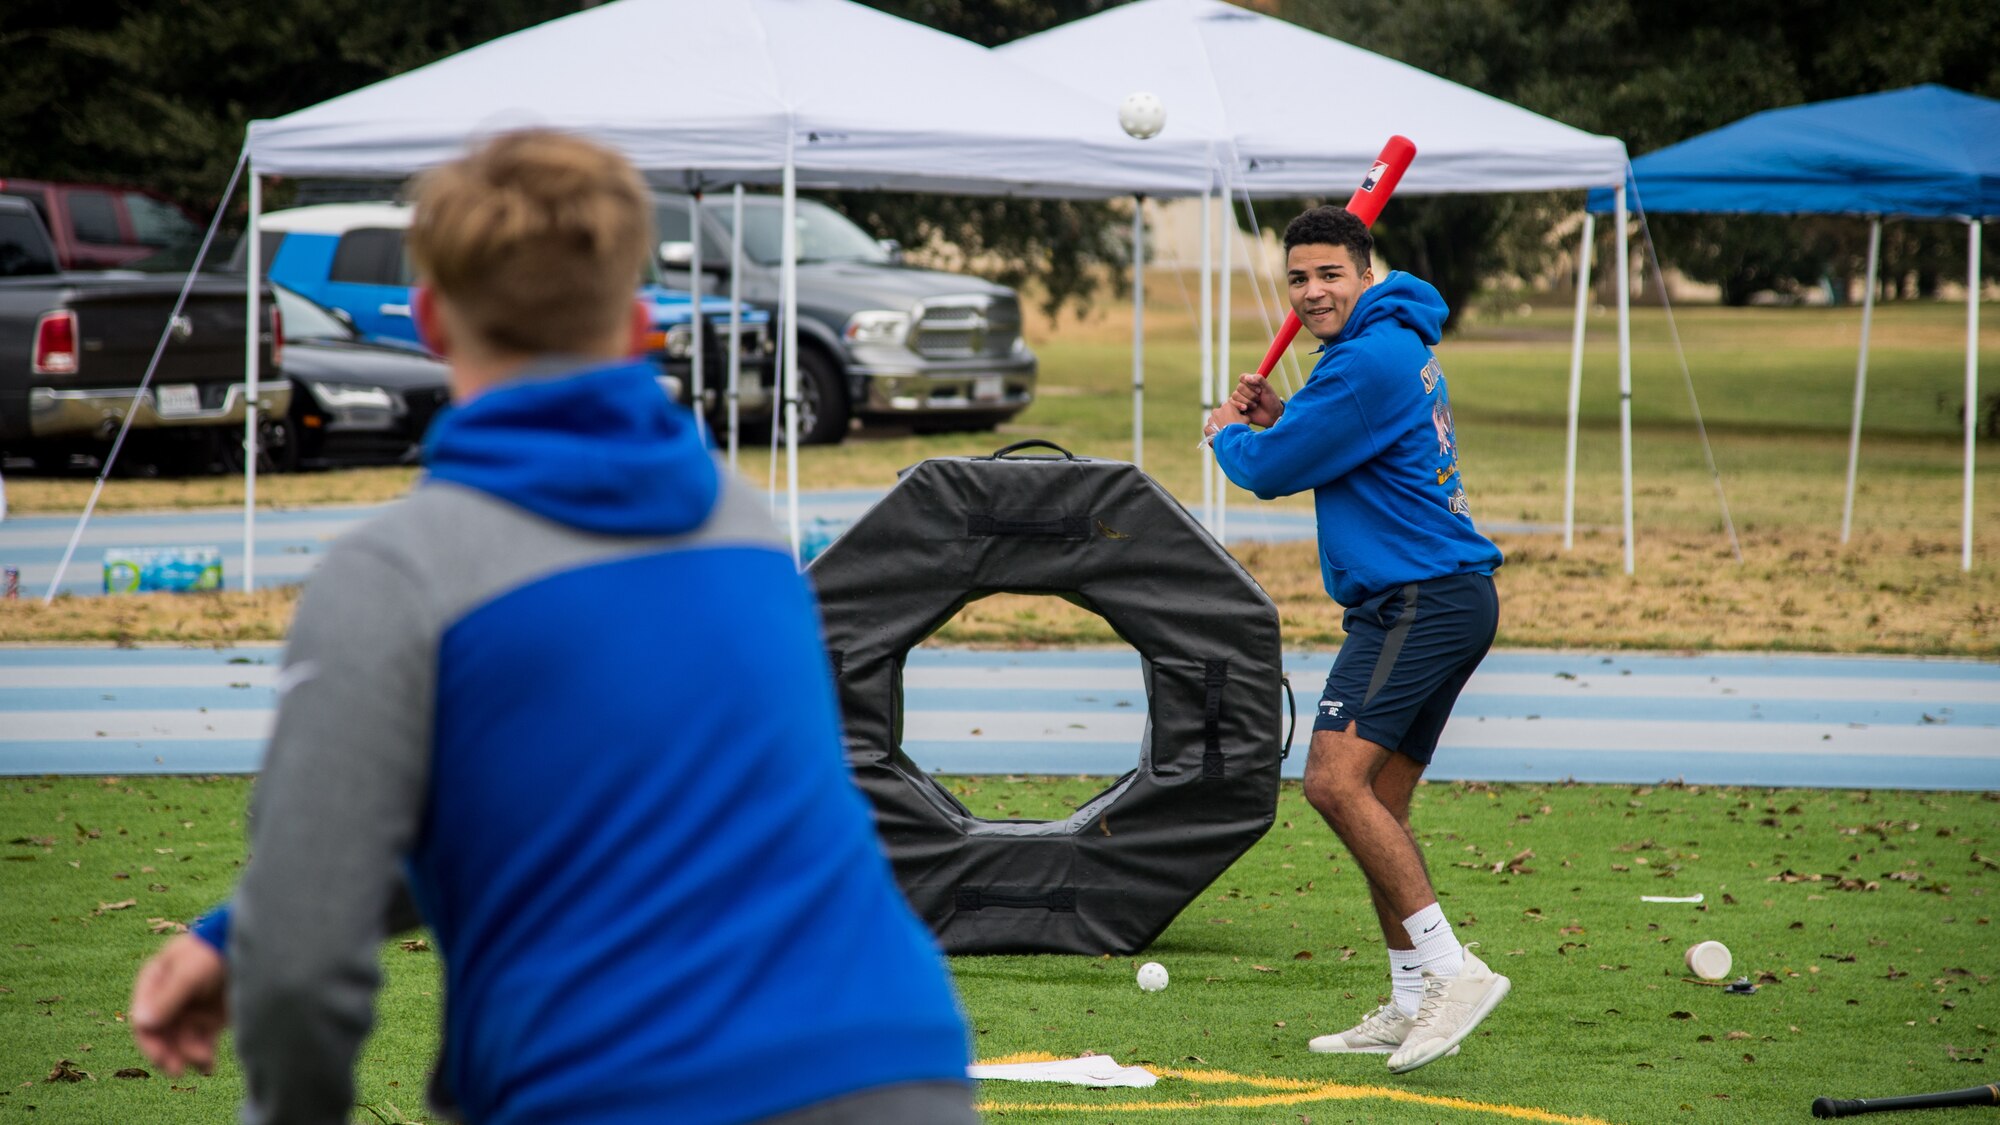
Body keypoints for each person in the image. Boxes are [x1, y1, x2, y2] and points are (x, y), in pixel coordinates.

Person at [129, 130, 977, 1125]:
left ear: (431, 318)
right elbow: (573, 807)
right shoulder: (743, 527)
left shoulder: (398, 573)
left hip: (620, 1091)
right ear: (637, 322)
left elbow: (306, 969)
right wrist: (243, 936)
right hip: (899, 1065)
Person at [1203, 205, 1507, 1075]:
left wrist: (1232, 435)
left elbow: (1268, 470)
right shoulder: (1385, 344)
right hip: (1436, 598)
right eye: (1297, 278)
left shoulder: (1364, 361)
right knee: (1383, 801)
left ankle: (1454, 971)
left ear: (1365, 274)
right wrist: (1286, 415)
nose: (1311, 291)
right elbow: (1338, 440)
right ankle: (1414, 998)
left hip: (1420, 600)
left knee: (1333, 783)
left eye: (1330, 274)